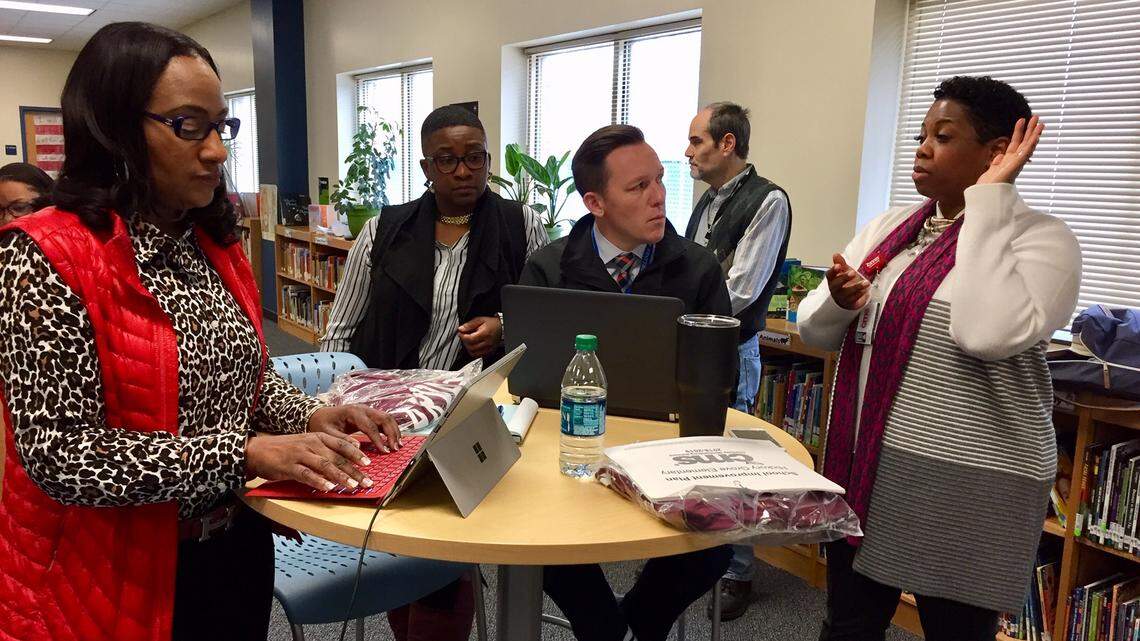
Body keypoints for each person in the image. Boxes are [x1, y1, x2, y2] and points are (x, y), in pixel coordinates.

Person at [0, 22, 401, 641]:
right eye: (189, 125)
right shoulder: (45, 257)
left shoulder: (210, 241)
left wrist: (308, 418)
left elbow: (247, 378)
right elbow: (61, 455)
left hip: (234, 547)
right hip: (111, 574)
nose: (217, 149)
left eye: (223, 126)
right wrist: (240, 454)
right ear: (114, 128)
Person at [797, 76, 1081, 641]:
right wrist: (841, 299)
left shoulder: (1043, 242)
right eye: (924, 133)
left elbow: (983, 332)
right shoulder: (891, 230)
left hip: (968, 488)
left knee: (956, 633)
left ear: (998, 152)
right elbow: (814, 330)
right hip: (870, 470)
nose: (922, 147)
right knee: (848, 627)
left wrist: (990, 202)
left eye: (943, 136)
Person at [321, 104, 547, 641]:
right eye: (448, 160)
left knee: (444, 550)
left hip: (472, 414)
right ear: (426, 166)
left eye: (474, 158)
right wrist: (341, 402)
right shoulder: (385, 229)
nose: (463, 171)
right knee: (403, 543)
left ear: (488, 161)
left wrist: (503, 323)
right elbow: (339, 333)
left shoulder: (519, 225)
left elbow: (543, 315)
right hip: (388, 414)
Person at [520, 124, 732, 641]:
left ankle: (641, 618)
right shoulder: (548, 269)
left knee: (719, 542)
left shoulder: (697, 269)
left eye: (661, 180)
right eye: (638, 188)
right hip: (568, 447)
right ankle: (602, 625)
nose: (659, 197)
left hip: (667, 447)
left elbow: (717, 377)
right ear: (595, 202)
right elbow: (525, 384)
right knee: (532, 531)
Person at [684, 101, 791, 621]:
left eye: (697, 141)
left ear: (728, 144)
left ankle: (737, 572)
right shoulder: (705, 203)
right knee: (688, 452)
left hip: (730, 348)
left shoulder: (767, 200)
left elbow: (742, 291)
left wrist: (684, 308)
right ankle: (690, 561)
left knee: (730, 461)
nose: (688, 152)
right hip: (689, 345)